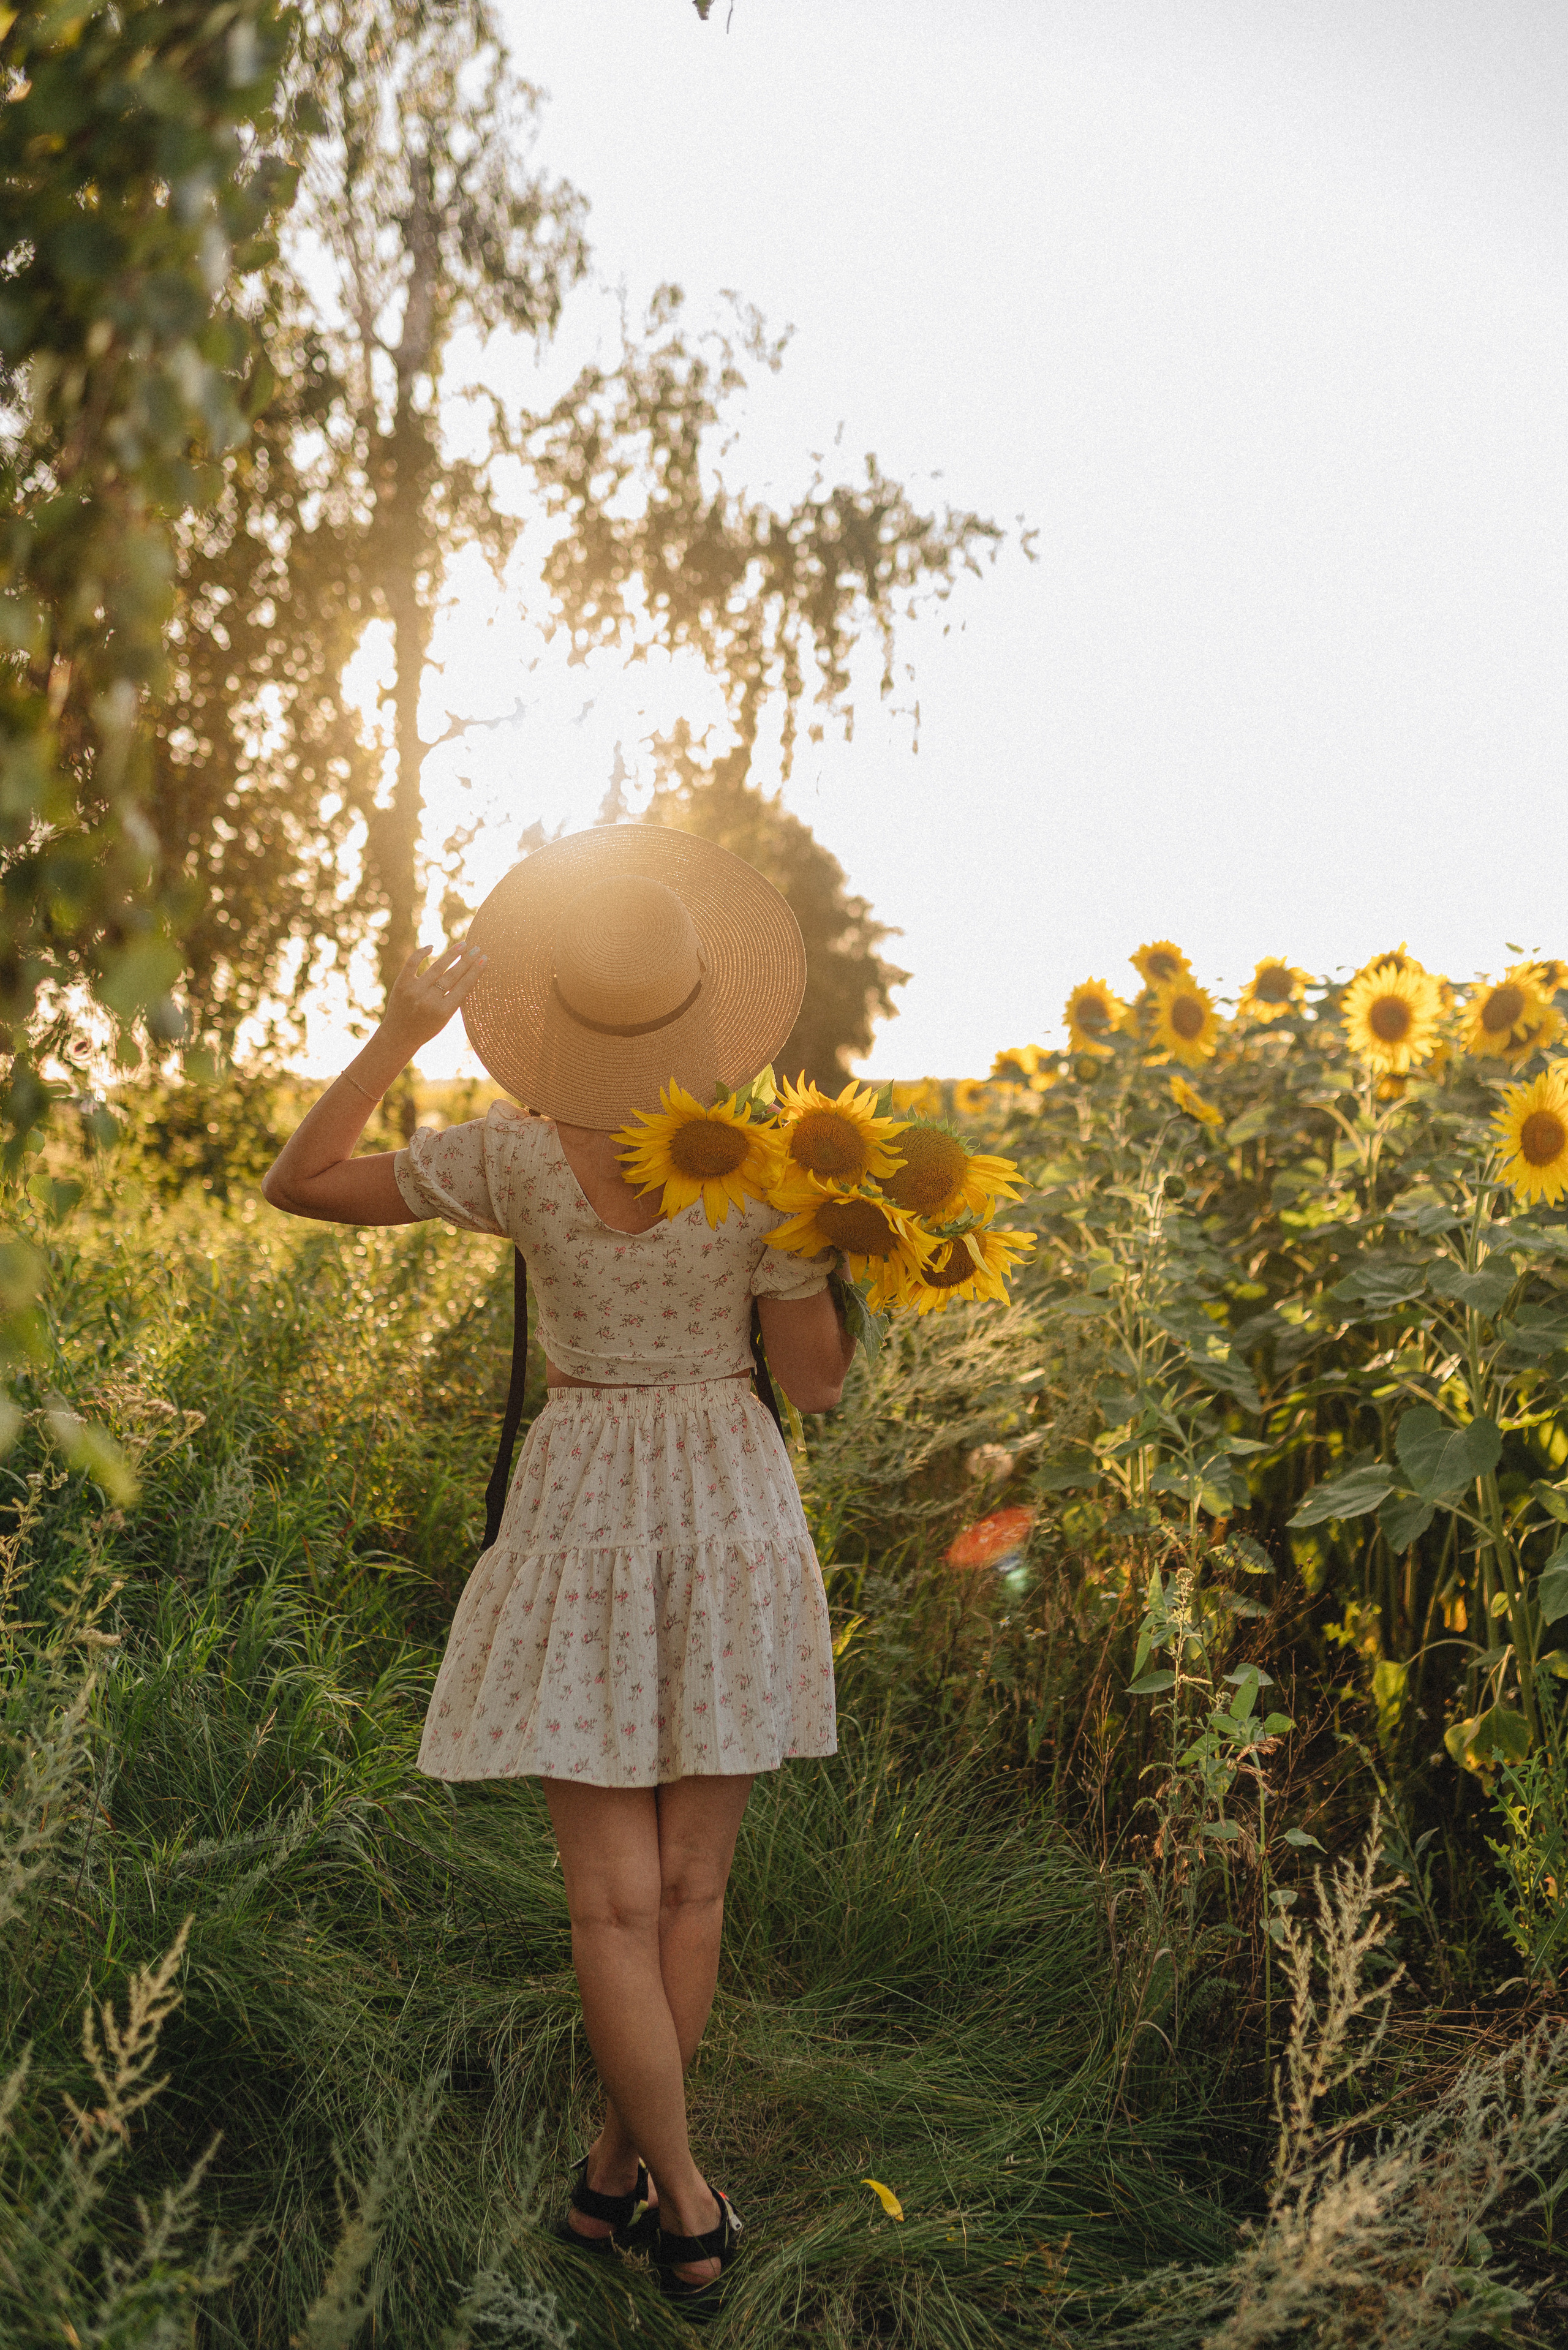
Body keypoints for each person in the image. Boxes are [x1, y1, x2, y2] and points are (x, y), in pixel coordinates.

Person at [262, 826, 854, 2312]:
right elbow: (822, 1386)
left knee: (610, 1905)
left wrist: (401, 1025)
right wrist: (844, 1242)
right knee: (691, 1892)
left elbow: (302, 1176)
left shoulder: (515, 1157)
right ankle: (690, 2198)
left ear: (557, 1007)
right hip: (725, 1494)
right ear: (702, 1003)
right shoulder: (770, 1173)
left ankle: (621, 2176)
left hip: (583, 1493)